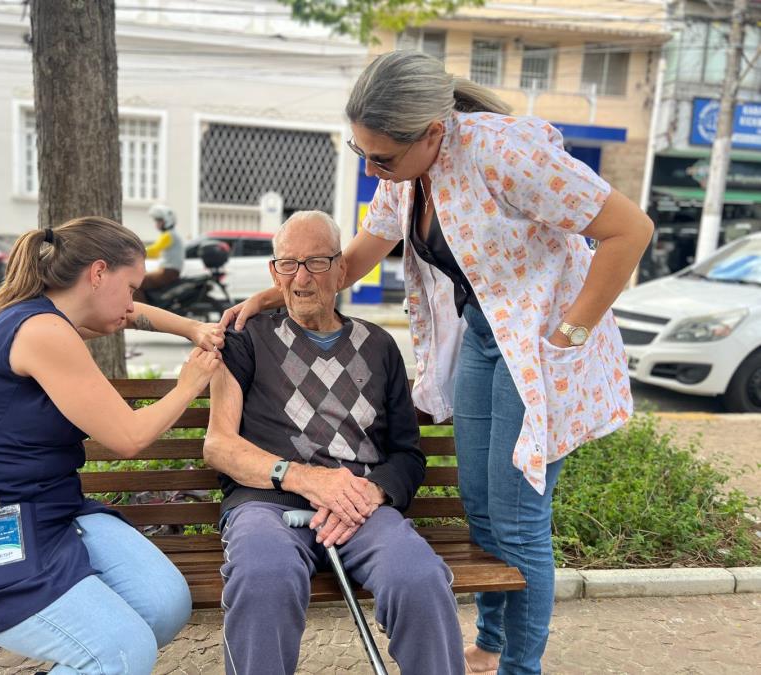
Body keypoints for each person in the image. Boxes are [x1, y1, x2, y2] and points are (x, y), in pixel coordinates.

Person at [222, 51, 654, 675]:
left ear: (431, 133)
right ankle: (492, 642)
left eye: (381, 157)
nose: (371, 168)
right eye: (361, 152)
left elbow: (631, 230)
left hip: (539, 345)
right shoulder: (405, 172)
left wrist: (567, 336)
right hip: (481, 336)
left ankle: (519, 667)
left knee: (519, 518)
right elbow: (357, 256)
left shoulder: (503, 153)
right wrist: (277, 291)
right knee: (480, 506)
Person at [0, 216, 224, 675]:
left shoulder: (47, 315)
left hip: (54, 513)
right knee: (123, 652)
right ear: (98, 273)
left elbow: (130, 315)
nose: (132, 302)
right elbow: (128, 437)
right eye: (130, 286)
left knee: (164, 605)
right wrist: (189, 384)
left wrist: (193, 329)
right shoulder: (42, 331)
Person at [204, 211, 465, 675]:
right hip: (267, 504)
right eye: (289, 264)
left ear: (342, 269)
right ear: (274, 273)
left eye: (317, 262)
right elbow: (219, 446)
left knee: (420, 579)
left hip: (358, 507)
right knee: (264, 577)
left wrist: (371, 491)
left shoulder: (379, 345)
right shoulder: (245, 340)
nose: (302, 278)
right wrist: (306, 480)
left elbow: (407, 455)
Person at [138, 203, 185, 298]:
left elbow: (155, 250)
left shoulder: (168, 235)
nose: (156, 224)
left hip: (167, 272)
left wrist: (136, 253)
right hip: (168, 271)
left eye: (159, 221)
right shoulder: (171, 234)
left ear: (167, 221)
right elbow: (156, 253)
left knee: (137, 282)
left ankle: (141, 307)